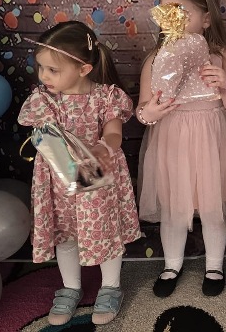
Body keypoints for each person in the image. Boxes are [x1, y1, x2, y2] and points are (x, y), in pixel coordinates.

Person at [18, 21, 140, 326]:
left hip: (96, 176)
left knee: (105, 230)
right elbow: (45, 137)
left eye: (52, 70)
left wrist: (103, 148)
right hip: (57, 180)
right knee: (66, 234)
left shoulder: (106, 97)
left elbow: (114, 132)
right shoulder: (45, 100)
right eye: (41, 68)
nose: (44, 76)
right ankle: (71, 287)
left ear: (84, 69)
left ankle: (110, 287)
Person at [136, 0, 226, 298]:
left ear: (206, 18)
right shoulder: (156, 58)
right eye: (167, 12)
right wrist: (149, 113)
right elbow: (142, 109)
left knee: (213, 207)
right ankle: (171, 265)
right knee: (173, 208)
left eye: (182, 12)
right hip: (172, 140)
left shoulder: (222, 57)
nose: (175, 19)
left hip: (213, 140)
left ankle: (214, 265)